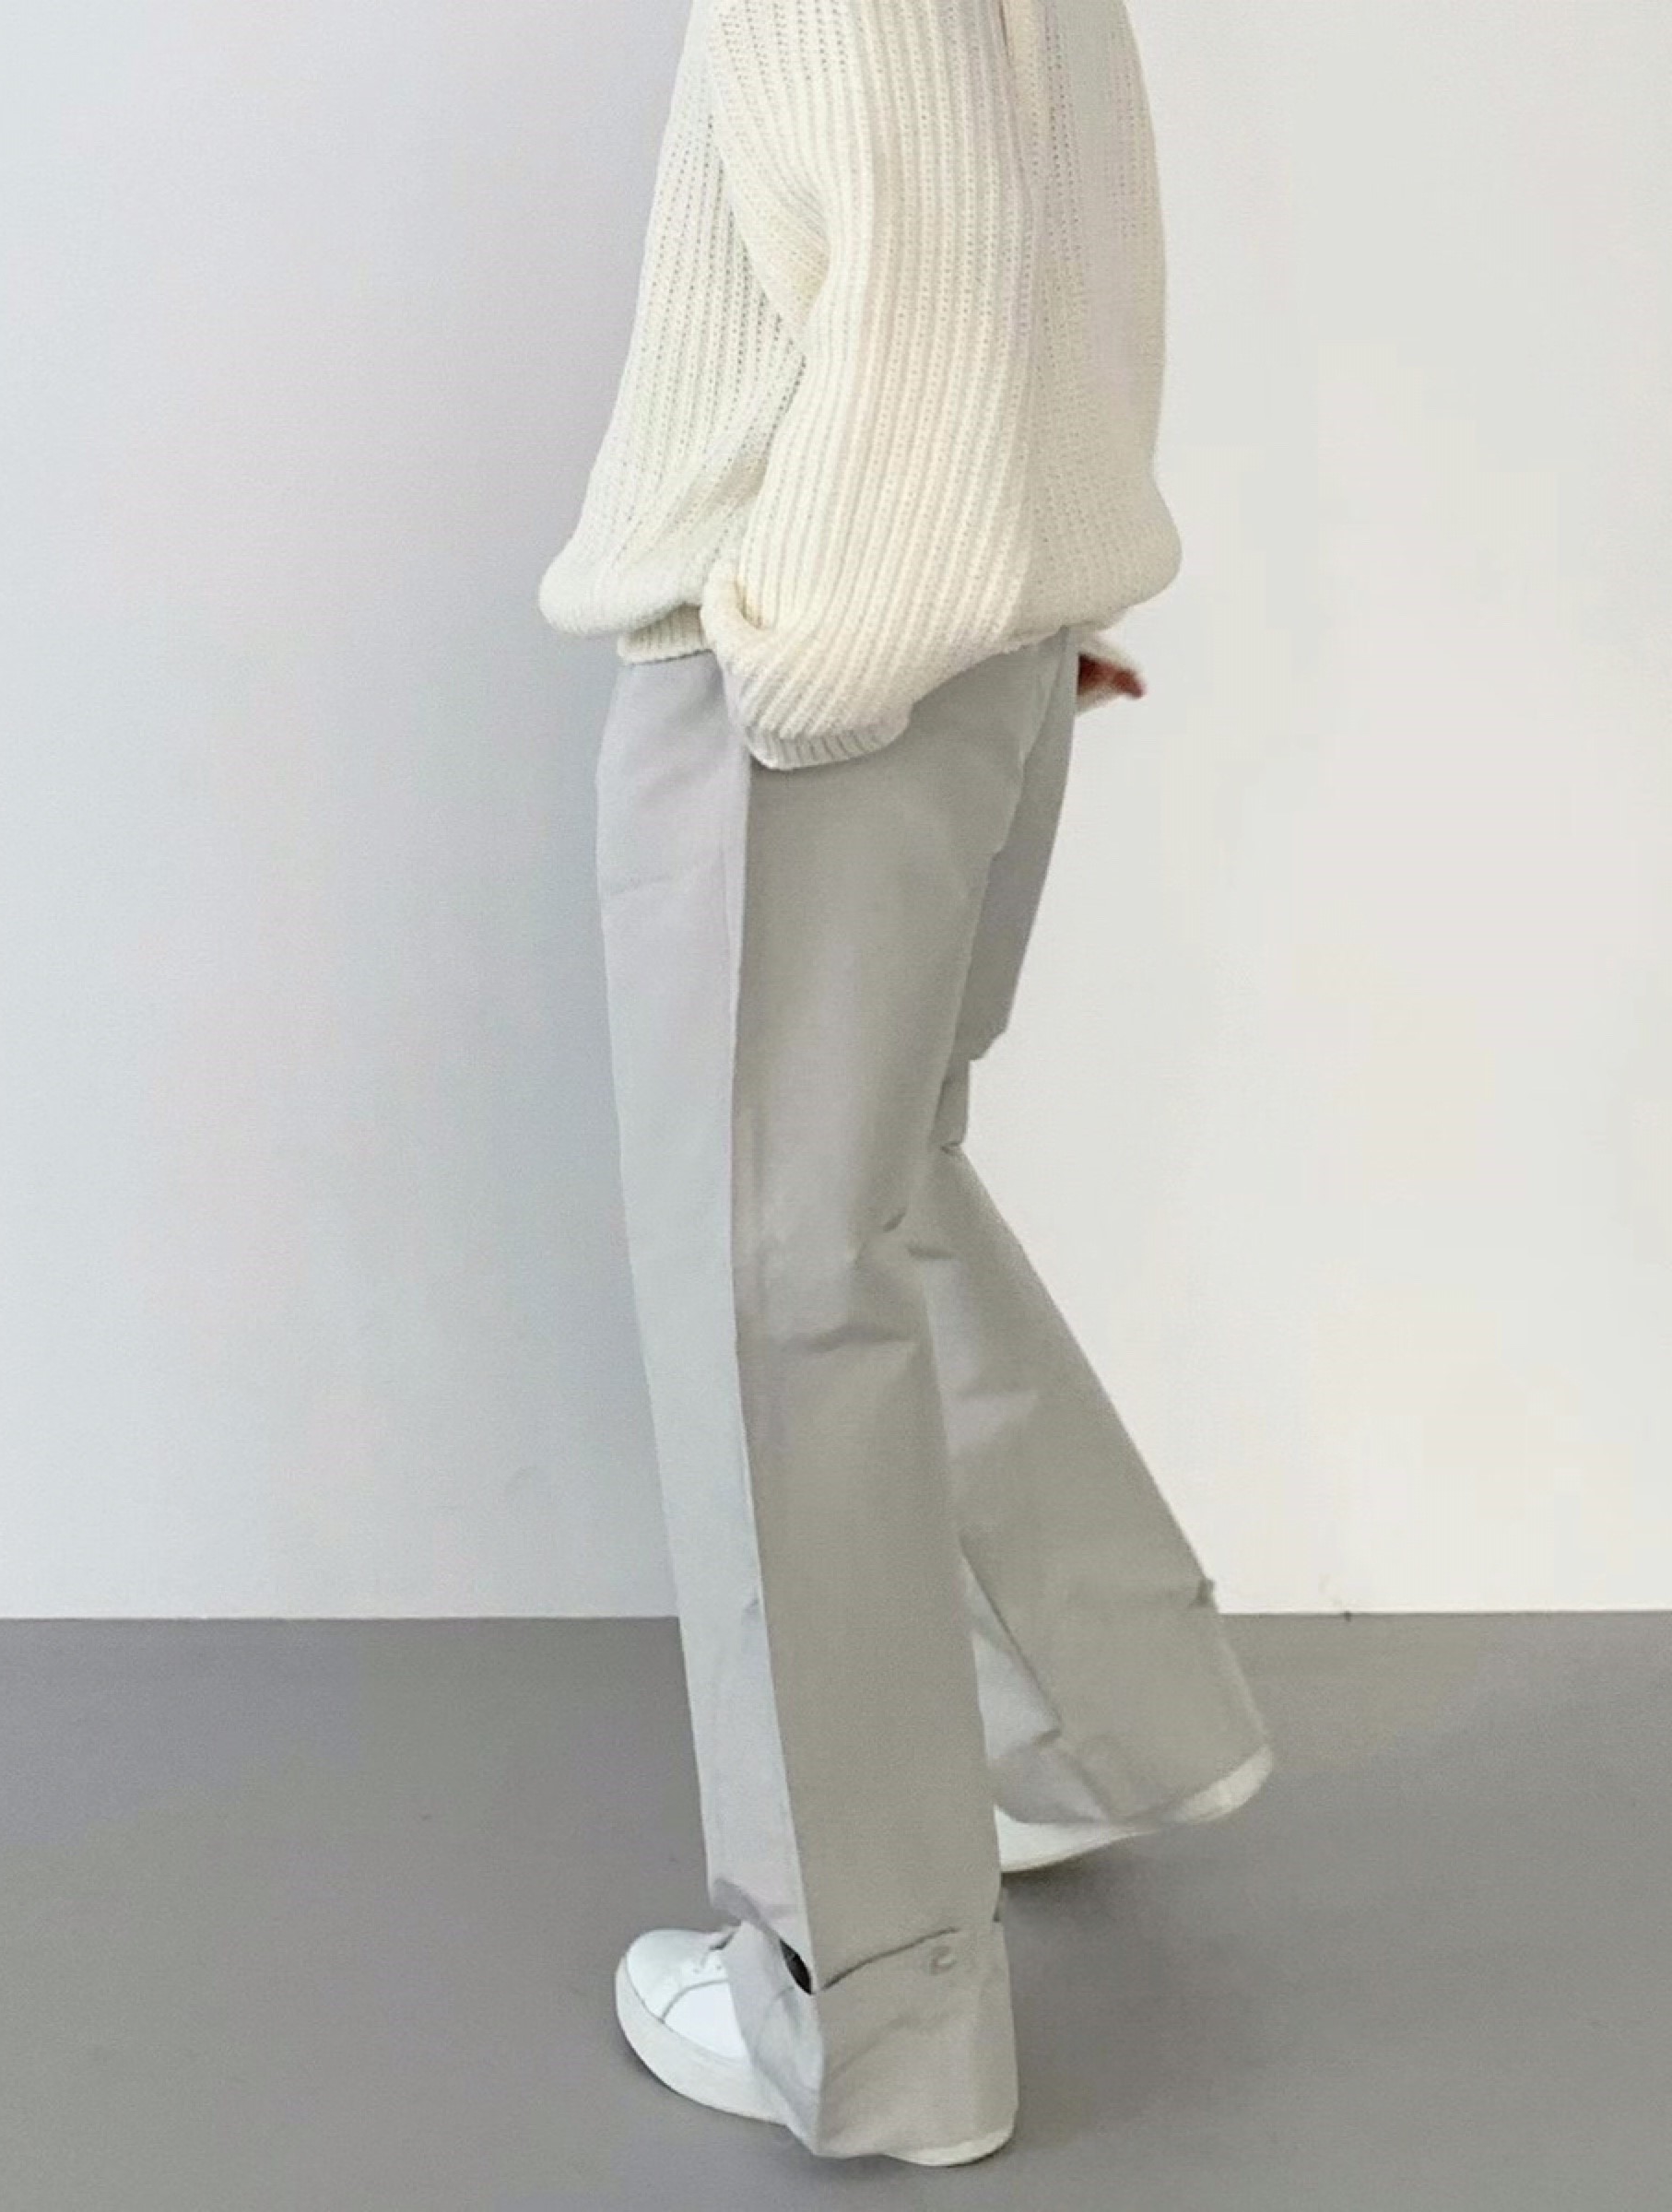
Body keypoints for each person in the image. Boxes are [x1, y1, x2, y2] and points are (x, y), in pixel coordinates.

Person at [537, 0, 1272, 2168]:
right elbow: (1051, 224)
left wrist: (822, 646)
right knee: (875, 1203)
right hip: (982, 646)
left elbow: (939, 272)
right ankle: (1107, 1723)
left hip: (833, 680)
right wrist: (1029, 584)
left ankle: (864, 2016)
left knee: (773, 1288)